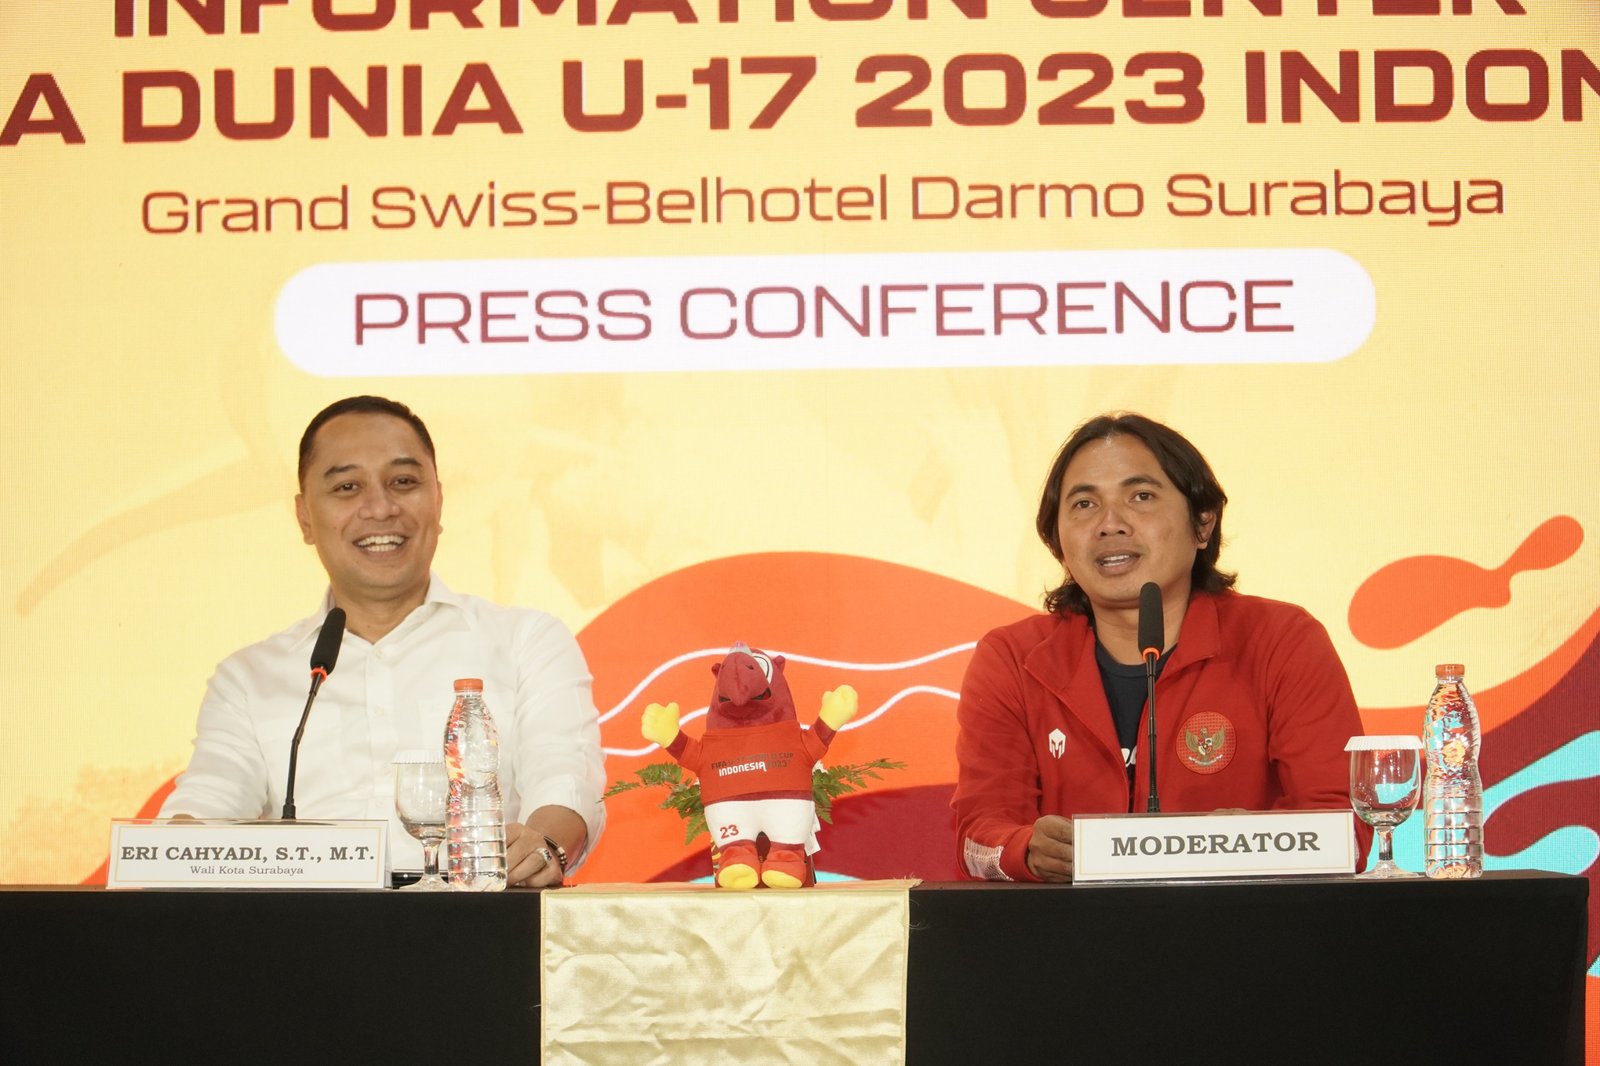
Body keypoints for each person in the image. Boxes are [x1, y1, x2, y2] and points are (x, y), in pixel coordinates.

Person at [161, 396, 605, 887]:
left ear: (438, 500)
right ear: (305, 517)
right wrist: (170, 850)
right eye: (347, 487)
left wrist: (543, 845)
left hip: (479, 919)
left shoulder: (526, 641)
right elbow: (208, 801)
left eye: (404, 482)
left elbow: (567, 778)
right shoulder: (249, 678)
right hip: (300, 929)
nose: (380, 508)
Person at [952, 412, 1367, 882]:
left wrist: (1252, 843)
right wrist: (1024, 851)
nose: (1110, 524)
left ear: (1203, 523)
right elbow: (977, 839)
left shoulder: (1282, 640)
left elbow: (1348, 830)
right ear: (1056, 541)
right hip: (1072, 925)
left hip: (1241, 921)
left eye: (1141, 496)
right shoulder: (1012, 658)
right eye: (1084, 504)